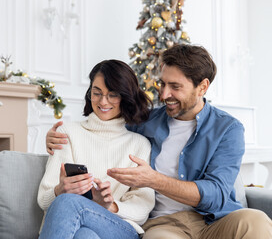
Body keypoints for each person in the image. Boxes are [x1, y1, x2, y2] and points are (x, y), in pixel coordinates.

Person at [46, 44, 272, 239]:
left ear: (202, 86)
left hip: (216, 221)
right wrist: (54, 138)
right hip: (165, 225)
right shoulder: (145, 122)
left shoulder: (227, 129)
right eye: (162, 84)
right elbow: (106, 128)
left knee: (257, 221)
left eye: (175, 87)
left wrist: (154, 180)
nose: (164, 95)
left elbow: (216, 194)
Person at [38, 59, 155, 239]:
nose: (103, 101)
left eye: (113, 95)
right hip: (72, 227)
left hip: (119, 229)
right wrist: (59, 191)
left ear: (125, 96)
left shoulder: (139, 144)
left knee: (69, 203)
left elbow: (142, 207)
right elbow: (43, 199)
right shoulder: (67, 133)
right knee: (85, 236)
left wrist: (110, 205)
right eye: (97, 93)